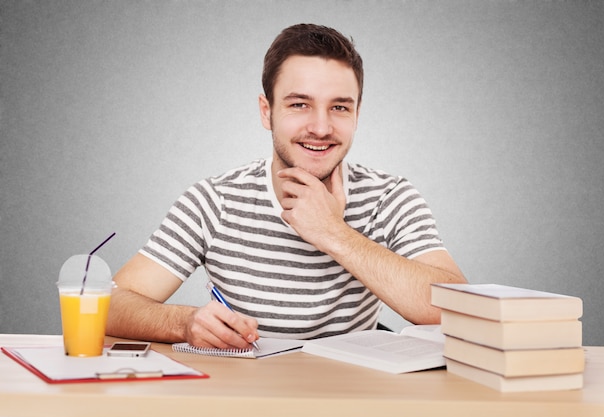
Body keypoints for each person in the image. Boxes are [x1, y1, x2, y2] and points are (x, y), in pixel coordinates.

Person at [106, 23, 466, 350]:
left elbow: (460, 310)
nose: (321, 128)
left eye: (339, 107)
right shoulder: (214, 201)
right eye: (299, 104)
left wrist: (332, 234)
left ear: (357, 114)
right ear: (267, 112)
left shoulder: (389, 198)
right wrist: (183, 323)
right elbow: (108, 305)